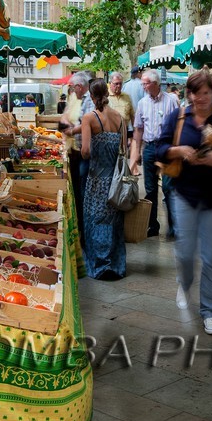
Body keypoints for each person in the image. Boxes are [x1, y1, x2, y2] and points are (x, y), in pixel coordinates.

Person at [154, 70, 212, 335]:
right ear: (189, 94)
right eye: (196, 93)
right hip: (185, 195)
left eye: (206, 92)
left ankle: (209, 311)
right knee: (184, 252)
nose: (201, 98)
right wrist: (179, 150)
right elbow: (158, 148)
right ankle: (184, 283)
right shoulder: (179, 117)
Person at [80, 78, 128, 280]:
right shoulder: (119, 118)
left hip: (96, 180)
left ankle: (99, 264)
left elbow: (85, 151)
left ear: (91, 96)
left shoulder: (89, 118)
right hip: (114, 182)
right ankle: (115, 264)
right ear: (107, 94)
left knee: (94, 220)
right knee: (113, 222)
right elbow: (124, 149)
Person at [131, 69, 181, 240]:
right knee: (150, 189)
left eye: (145, 83)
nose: (143, 86)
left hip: (167, 148)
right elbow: (138, 128)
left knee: (168, 187)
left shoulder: (171, 101)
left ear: (155, 83)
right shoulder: (142, 103)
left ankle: (174, 227)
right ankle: (153, 225)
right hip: (150, 148)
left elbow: (179, 124)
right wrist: (136, 152)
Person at [59, 72, 91, 217]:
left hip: (83, 151)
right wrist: (64, 122)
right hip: (72, 149)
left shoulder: (89, 100)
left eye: (72, 87)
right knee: (75, 186)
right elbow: (66, 115)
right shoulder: (73, 99)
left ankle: (82, 219)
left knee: (82, 187)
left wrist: (71, 129)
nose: (71, 90)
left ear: (79, 87)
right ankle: (77, 215)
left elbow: (88, 124)